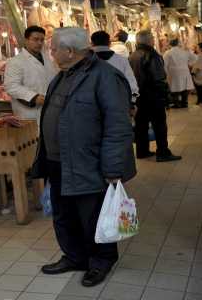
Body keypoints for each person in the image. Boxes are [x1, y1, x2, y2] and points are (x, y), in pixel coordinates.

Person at [32, 27, 137, 287]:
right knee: (64, 215)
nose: (50, 51)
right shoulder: (62, 75)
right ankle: (75, 257)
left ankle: (101, 261)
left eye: (54, 47)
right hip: (58, 161)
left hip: (89, 163)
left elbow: (118, 126)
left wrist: (113, 168)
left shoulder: (105, 77)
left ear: (69, 51)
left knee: (93, 217)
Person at [129, 30, 182, 162]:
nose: (154, 39)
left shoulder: (133, 55)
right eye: (153, 37)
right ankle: (163, 152)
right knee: (159, 125)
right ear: (149, 40)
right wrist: (166, 96)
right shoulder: (152, 55)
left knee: (141, 125)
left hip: (138, 97)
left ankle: (142, 151)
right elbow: (158, 78)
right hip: (153, 96)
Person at [4, 26, 58, 124]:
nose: (39, 43)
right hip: (28, 114)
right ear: (26, 40)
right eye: (35, 39)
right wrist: (34, 97)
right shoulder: (16, 62)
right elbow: (11, 86)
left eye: (42, 40)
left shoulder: (48, 60)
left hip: (49, 111)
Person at [90, 30, 139, 109]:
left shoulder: (83, 62)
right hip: (118, 104)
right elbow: (132, 84)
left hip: (91, 108)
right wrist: (132, 103)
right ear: (109, 43)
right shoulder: (122, 60)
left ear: (91, 43)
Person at [163, 38, 197, 108]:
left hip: (173, 72)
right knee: (185, 87)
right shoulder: (184, 51)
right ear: (178, 43)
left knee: (175, 87)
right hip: (184, 71)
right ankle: (185, 102)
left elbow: (164, 64)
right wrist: (189, 63)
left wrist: (165, 73)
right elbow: (195, 58)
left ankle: (176, 103)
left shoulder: (168, 53)